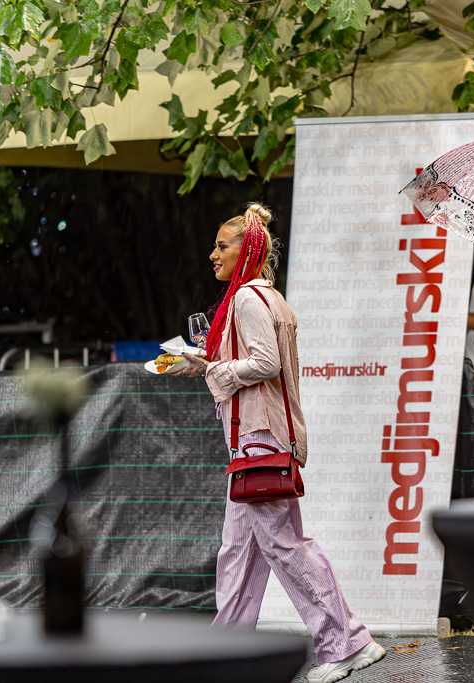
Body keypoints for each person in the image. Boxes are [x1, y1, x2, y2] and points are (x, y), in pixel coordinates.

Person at [173, 203, 385, 683]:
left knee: (284, 544)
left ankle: (348, 642)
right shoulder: (266, 297)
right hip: (256, 437)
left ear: (245, 249)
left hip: (259, 436)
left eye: (221, 246)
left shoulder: (248, 298)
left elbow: (265, 363)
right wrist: (205, 362)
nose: (212, 255)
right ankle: (226, 652)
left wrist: (213, 368)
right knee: (238, 551)